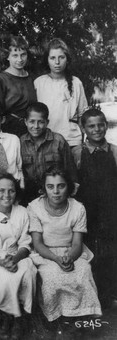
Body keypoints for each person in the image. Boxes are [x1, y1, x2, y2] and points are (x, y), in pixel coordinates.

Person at [28, 167, 101, 322]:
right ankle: (56, 317)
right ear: (44, 189)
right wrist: (56, 259)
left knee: (83, 271)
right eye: (50, 187)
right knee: (51, 276)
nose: (56, 191)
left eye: (61, 186)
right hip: (46, 253)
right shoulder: (35, 207)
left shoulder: (77, 208)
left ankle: (80, 316)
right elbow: (38, 243)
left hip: (72, 251)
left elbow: (77, 243)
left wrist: (69, 258)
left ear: (69, 187)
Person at [0, 174, 36, 338]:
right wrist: (3, 263)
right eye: (1, 190)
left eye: (11, 191)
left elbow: (25, 243)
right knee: (4, 279)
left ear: (16, 193)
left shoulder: (22, 212)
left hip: (18, 255)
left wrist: (15, 259)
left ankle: (22, 317)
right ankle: (7, 315)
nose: (6, 195)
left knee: (29, 273)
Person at [73, 108, 117, 308]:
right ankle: (90, 298)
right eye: (91, 126)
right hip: (87, 211)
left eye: (100, 125)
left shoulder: (115, 151)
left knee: (110, 252)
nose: (97, 129)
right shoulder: (76, 153)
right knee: (89, 252)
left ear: (106, 126)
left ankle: (109, 296)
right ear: (83, 128)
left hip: (111, 210)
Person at [20, 102, 77, 203]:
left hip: (55, 194)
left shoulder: (58, 141)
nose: (36, 126)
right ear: (25, 122)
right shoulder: (21, 142)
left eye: (41, 122)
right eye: (32, 122)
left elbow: (70, 169)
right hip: (30, 195)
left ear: (47, 122)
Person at [35, 38, 88, 147]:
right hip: (46, 141)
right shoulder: (39, 83)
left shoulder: (76, 83)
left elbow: (83, 115)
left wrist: (82, 141)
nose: (57, 62)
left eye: (61, 57)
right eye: (52, 58)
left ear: (67, 59)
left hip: (71, 141)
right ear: (47, 60)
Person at [0, 36, 36, 137]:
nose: (20, 59)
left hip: (31, 129)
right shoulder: (0, 79)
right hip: (9, 130)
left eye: (23, 55)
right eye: (15, 55)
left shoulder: (31, 78)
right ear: (8, 57)